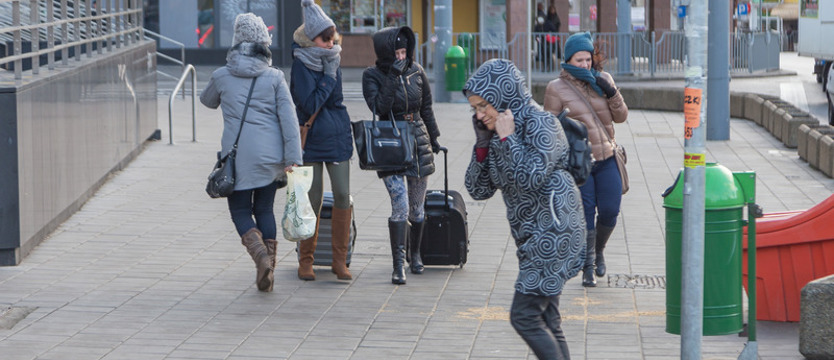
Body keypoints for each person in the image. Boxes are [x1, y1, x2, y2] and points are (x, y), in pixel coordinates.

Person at [463, 59, 585, 359]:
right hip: (534, 236)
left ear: (503, 96)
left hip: (554, 230)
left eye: (483, 106)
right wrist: (482, 145)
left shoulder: (541, 123)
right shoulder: (497, 131)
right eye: (474, 109)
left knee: (524, 316)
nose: (479, 115)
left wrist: (507, 138)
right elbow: (478, 189)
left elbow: (528, 178)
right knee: (547, 319)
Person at [200, 13, 302, 292]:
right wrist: (294, 159)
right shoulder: (275, 78)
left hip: (238, 159)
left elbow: (207, 101)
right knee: (265, 209)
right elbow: (289, 121)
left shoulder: (221, 75)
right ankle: (269, 263)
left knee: (241, 211)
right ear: (264, 44)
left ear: (236, 42)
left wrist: (224, 78)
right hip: (272, 158)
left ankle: (260, 258)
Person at [543, 32, 628, 287]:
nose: (585, 65)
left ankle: (598, 250)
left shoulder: (603, 80)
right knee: (586, 214)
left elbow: (622, 116)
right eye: (579, 60)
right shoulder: (555, 88)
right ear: (569, 59)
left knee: (611, 211)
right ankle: (588, 265)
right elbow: (548, 129)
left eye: (588, 59)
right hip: (580, 163)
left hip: (608, 157)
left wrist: (611, 92)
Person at [362, 25, 442, 285]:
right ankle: (398, 265)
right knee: (401, 204)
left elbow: (426, 107)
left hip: (418, 140)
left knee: (417, 208)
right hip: (392, 141)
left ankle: (415, 254)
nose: (401, 57)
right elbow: (378, 107)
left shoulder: (417, 72)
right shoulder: (371, 75)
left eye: (404, 52)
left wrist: (434, 137)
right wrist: (392, 77)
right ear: (386, 53)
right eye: (396, 52)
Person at [290, 0, 354, 281]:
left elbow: (334, 102)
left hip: (337, 134)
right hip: (311, 138)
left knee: (342, 195)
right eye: (324, 39)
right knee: (311, 200)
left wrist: (329, 75)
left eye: (332, 38)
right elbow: (309, 102)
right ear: (310, 38)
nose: (330, 44)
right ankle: (306, 261)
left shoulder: (332, 60)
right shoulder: (301, 64)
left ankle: (339, 262)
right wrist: (328, 78)